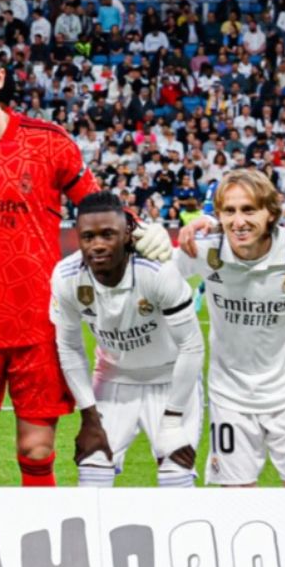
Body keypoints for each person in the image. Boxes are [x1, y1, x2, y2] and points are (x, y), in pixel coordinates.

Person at [0, 35, 171, 487]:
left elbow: (94, 202)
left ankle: (39, 536)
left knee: (37, 449)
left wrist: (140, 229)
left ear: (0, 78)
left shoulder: (48, 142)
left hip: (41, 323)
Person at [175, 168, 285, 488]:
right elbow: (152, 267)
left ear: (271, 212)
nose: (238, 221)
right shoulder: (202, 247)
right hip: (231, 398)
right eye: (229, 211)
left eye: (249, 210)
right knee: (236, 502)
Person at [49, 192, 205, 489]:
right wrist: (89, 416)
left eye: (108, 234)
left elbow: (192, 345)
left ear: (127, 235)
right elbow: (69, 347)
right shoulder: (66, 276)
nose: (97, 244)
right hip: (113, 378)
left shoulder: (158, 271)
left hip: (170, 380)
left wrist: (173, 419)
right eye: (88, 236)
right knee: (93, 472)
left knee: (176, 475)